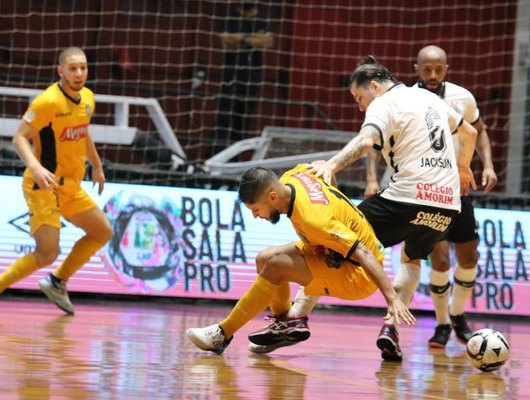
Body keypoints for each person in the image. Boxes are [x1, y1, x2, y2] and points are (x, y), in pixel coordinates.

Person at [245, 56, 479, 361]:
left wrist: (331, 164)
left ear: (373, 86)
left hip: (407, 197)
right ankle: (391, 328)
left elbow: (366, 140)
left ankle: (294, 319)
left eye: (359, 98)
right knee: (412, 257)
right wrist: (463, 168)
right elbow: (470, 133)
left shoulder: (383, 102)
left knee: (332, 238)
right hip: (448, 206)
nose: (360, 106)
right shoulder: (427, 97)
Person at [185, 164, 416, 355]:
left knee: (276, 266)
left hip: (357, 274)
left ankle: (221, 334)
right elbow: (326, 174)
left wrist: (392, 298)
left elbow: (364, 253)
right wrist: (330, 168)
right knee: (264, 258)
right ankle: (285, 322)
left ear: (272, 197)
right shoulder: (294, 175)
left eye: (256, 209)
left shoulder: (315, 221)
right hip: (325, 247)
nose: (256, 216)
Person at [0, 47, 112, 315]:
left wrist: (97, 164)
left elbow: (83, 131)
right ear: (60, 71)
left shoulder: (88, 98)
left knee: (102, 231)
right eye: (72, 68)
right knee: (47, 252)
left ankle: (57, 281)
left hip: (71, 186)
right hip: (44, 185)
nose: (79, 73)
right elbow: (19, 137)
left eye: (83, 67)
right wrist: (35, 167)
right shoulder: (47, 102)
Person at [411, 45, 497, 347]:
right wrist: (372, 178)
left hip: (459, 187)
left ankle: (458, 315)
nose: (432, 74)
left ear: (446, 69)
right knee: (440, 259)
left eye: (438, 69)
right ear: (416, 68)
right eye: (426, 69)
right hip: (427, 191)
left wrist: (487, 165)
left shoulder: (463, 97)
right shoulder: (407, 98)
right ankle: (442, 324)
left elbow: (480, 130)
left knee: (469, 255)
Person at [210, 1, 274, 158]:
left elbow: (267, 42)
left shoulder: (264, 18)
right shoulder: (230, 16)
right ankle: (215, 157)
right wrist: (252, 39)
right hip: (230, 77)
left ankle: (235, 161)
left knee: (242, 123)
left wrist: (240, 39)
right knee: (223, 120)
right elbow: (226, 41)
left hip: (252, 78)